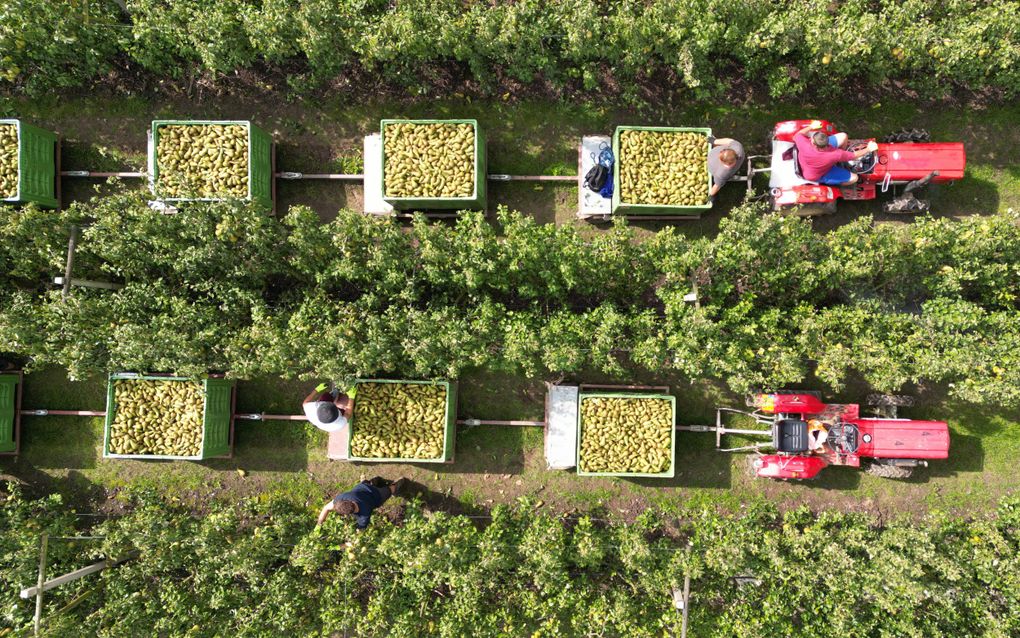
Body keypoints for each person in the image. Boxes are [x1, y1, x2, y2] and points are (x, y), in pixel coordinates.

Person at [793, 120, 877, 186]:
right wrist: (868, 149)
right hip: (817, 174)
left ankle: (841, 160)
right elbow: (853, 156)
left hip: (810, 162)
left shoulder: (804, 143)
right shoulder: (835, 154)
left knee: (843, 136)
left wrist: (811, 126)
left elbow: (797, 135)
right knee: (854, 178)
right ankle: (837, 184)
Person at [317, 477, 406, 529]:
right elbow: (326, 508)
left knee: (389, 490)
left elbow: (360, 529)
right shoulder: (341, 498)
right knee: (368, 484)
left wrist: (345, 545)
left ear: (351, 513)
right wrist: (319, 523)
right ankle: (374, 481)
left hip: (377, 496)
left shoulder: (364, 514)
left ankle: (398, 483)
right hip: (363, 487)